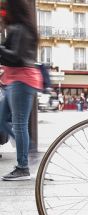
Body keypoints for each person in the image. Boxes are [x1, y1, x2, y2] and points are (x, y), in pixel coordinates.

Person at [0, 0, 43, 180]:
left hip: (22, 81)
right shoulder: (17, 28)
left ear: (12, 9)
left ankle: (23, 166)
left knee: (19, 125)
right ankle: (29, 149)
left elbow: (16, 57)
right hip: (14, 80)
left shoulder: (21, 30)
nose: (3, 12)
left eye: (4, 9)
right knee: (2, 120)